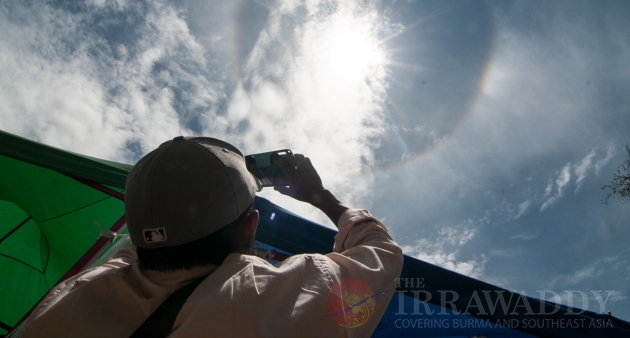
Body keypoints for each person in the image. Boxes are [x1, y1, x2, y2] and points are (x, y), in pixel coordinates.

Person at [20, 136, 403, 337]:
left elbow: (143, 243)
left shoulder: (75, 292)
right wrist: (320, 198)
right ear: (250, 225)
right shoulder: (257, 299)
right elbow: (381, 253)